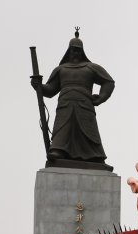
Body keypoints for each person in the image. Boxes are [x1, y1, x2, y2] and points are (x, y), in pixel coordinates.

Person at [31, 31, 115, 163]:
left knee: (88, 130)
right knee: (62, 126)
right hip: (65, 103)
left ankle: (94, 155)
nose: (75, 53)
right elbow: (50, 90)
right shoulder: (61, 69)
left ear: (82, 52)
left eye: (78, 50)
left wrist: (101, 97)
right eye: (73, 50)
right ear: (68, 51)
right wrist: (38, 86)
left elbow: (108, 82)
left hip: (85, 104)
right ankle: (58, 150)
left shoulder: (91, 68)